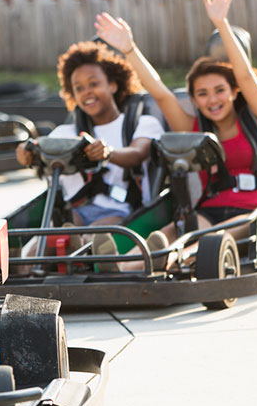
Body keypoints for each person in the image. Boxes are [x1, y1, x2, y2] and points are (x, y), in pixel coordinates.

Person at [95, 0, 257, 270]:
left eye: (219, 90)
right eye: (202, 94)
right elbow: (161, 94)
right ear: (194, 100)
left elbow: (246, 76)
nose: (212, 99)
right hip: (208, 207)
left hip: (252, 210)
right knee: (177, 230)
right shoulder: (194, 127)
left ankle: (173, 259)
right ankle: (120, 265)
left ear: (234, 91)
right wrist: (129, 49)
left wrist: (221, 23)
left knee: (210, 237)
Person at [14, 41, 164, 270]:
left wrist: (109, 153)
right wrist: (26, 152)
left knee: (95, 236)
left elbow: (137, 153)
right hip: (77, 210)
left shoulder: (141, 123)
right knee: (42, 244)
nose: (87, 93)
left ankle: (81, 253)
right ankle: (23, 267)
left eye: (93, 84)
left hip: (121, 210)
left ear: (113, 85)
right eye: (79, 88)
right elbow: (41, 147)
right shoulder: (69, 131)